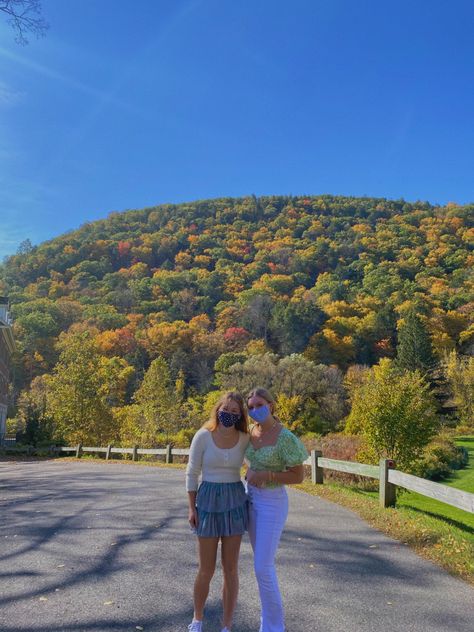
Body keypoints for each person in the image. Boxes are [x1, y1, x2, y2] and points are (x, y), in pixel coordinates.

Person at [245, 387, 309, 632]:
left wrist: (267, 474)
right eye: (250, 407)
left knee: (263, 566)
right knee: (260, 569)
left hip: (272, 502)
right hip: (251, 500)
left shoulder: (285, 438)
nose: (254, 410)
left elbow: (298, 476)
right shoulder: (250, 432)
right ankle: (267, 623)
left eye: (259, 405)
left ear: (271, 405)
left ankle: (274, 628)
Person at [186, 391, 250, 632]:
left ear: (241, 415)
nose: (229, 414)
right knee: (206, 569)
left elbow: (257, 461)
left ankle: (227, 625)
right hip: (208, 501)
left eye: (235, 411)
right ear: (217, 409)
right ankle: (198, 619)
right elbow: (192, 473)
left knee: (231, 568)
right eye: (226, 409)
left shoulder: (245, 438)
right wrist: (192, 507)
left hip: (234, 500)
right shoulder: (203, 436)